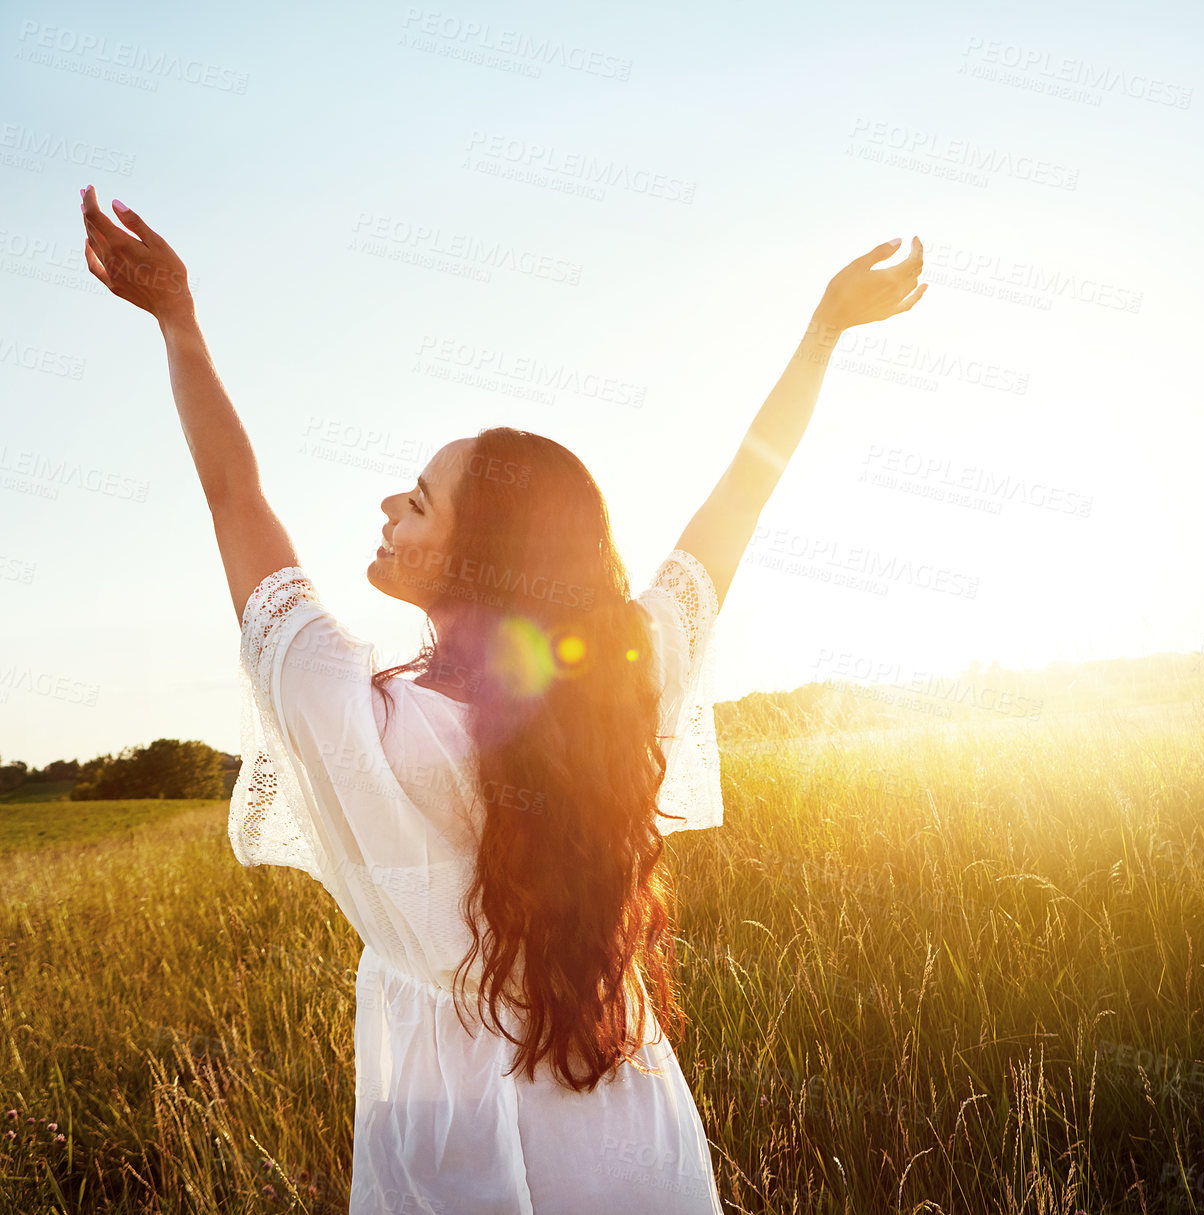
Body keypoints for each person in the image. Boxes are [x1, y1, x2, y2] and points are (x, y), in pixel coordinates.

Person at [78, 183, 926, 1213]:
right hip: (624, 1129)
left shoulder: (356, 719)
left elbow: (232, 496)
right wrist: (822, 335)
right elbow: (742, 496)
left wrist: (180, 323)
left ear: (474, 559)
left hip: (444, 1147)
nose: (390, 504)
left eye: (420, 500)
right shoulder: (619, 685)